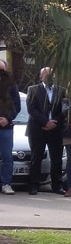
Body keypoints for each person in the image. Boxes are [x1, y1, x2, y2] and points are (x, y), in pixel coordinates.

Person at [26, 67, 67, 195]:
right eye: (46, 75)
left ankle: (57, 185)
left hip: (55, 129)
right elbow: (31, 109)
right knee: (36, 157)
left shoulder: (62, 91)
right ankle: (34, 185)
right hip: (38, 129)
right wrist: (45, 122)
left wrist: (53, 122)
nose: (49, 78)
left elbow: (64, 109)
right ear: (41, 77)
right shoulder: (33, 90)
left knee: (56, 158)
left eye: (51, 75)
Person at [0, 59, 20, 195]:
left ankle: (6, 183)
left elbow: (17, 106)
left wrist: (8, 119)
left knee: (7, 157)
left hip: (6, 127)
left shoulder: (12, 85)